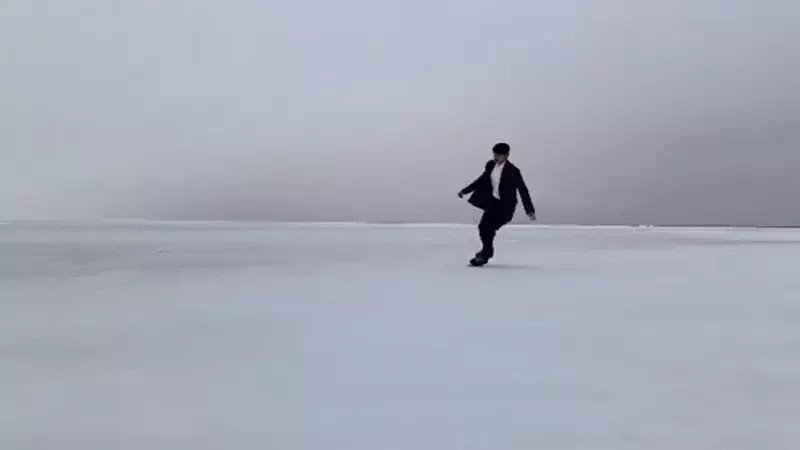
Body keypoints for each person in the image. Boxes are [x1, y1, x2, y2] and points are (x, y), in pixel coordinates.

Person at [458, 142, 536, 266]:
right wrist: (465, 191)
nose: (496, 157)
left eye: (499, 155)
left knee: (489, 228)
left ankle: (485, 254)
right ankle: (486, 253)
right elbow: (481, 180)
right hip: (493, 203)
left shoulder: (513, 171)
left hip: (506, 207)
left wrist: (529, 210)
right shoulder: (490, 165)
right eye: (494, 154)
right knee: (483, 227)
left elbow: (523, 190)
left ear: (506, 155)